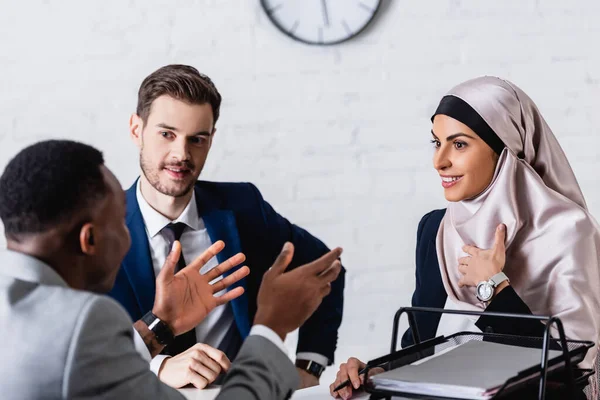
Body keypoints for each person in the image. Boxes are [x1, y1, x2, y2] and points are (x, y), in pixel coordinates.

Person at [0, 139, 343, 400]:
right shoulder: (84, 321)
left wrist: (159, 325)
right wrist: (270, 328)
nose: (128, 236)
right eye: (119, 223)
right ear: (89, 239)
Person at [330, 76, 600, 399]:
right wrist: (376, 372)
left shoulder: (569, 233)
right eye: (436, 142)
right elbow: (420, 350)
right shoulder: (435, 231)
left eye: (458, 144)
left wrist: (493, 286)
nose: (438, 161)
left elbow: (571, 376)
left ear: (504, 150)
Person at [108, 64, 345, 389]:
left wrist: (308, 367)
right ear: (137, 130)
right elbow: (75, 349)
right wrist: (160, 367)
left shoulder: (242, 207)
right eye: (167, 134)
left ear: (211, 139)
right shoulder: (98, 229)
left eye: (197, 139)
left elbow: (326, 265)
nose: (181, 153)